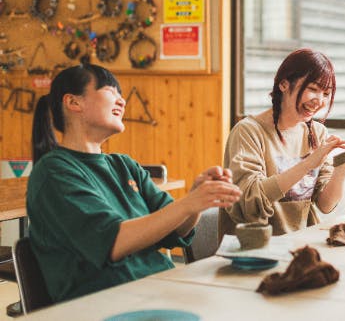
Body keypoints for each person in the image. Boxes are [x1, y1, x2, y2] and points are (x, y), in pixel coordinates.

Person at [28, 64, 242, 303]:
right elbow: (113, 242)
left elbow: (176, 230)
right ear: (73, 103)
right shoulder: (54, 171)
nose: (122, 101)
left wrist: (197, 201)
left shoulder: (124, 165)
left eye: (121, 94)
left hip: (155, 289)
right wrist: (188, 204)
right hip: (104, 303)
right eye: (110, 91)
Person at [221, 48, 345, 236]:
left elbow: (325, 205)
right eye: (312, 89)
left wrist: (342, 167)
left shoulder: (317, 132)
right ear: (284, 84)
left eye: (326, 93)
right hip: (253, 249)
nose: (319, 100)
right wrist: (309, 163)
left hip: (299, 244)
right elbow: (250, 202)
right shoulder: (248, 131)